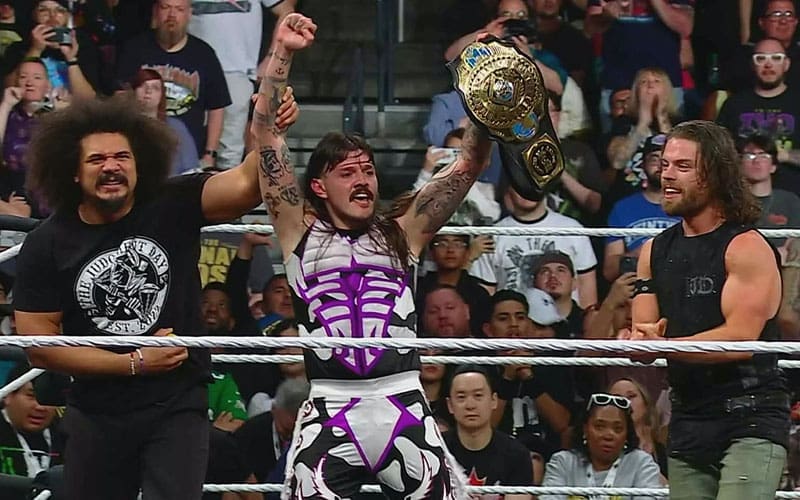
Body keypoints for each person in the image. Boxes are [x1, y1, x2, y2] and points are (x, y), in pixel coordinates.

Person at [11, 45, 299, 499]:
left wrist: (267, 129)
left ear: (139, 163)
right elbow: (39, 345)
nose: (111, 167)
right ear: (73, 173)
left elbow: (247, 184)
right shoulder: (47, 242)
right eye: (97, 160)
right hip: (96, 407)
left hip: (176, 402)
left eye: (122, 157)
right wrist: (132, 362)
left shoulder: (171, 202)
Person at [251, 12, 497, 498]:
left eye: (367, 170)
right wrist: (282, 52)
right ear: (319, 186)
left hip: (402, 401)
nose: (363, 180)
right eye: (347, 173)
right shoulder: (297, 230)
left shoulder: (404, 232)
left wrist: (484, 96)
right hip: (330, 407)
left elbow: (469, 164)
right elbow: (265, 135)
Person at [631, 120, 789, 499]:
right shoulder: (654, 251)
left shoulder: (746, 247)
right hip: (688, 417)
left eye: (683, 166)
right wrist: (637, 340)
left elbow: (739, 340)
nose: (667, 175)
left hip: (749, 417)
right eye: (665, 165)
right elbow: (644, 335)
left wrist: (662, 346)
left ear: (716, 174)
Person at [540, 393, 662, 500]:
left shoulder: (641, 463)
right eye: (599, 426)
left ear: (626, 435)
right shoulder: (563, 462)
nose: (608, 435)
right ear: (585, 430)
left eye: (618, 429)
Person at [444, 365, 534, 499]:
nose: (470, 405)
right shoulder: (436, 450)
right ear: (450, 405)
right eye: (461, 397)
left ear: (494, 400)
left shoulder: (517, 454)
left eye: (478, 396)